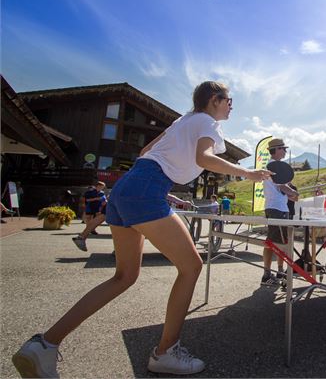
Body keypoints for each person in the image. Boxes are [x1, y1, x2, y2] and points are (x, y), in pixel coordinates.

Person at [12, 80, 272, 377]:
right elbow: (203, 158)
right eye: (228, 100)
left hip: (127, 187)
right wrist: (247, 172)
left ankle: (45, 344)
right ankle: (165, 352)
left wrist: (160, 187)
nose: (231, 105)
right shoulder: (208, 123)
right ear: (214, 99)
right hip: (146, 188)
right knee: (191, 267)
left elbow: (147, 151)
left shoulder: (182, 121)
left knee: (124, 276)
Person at [261, 138, 299, 286]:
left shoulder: (273, 166)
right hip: (278, 210)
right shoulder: (273, 166)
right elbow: (284, 187)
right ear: (276, 149)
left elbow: (283, 189)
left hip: (275, 208)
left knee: (272, 243)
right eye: (283, 148)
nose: (285, 151)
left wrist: (292, 194)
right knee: (280, 244)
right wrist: (294, 194)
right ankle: (275, 274)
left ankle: (272, 273)